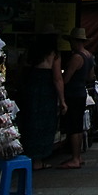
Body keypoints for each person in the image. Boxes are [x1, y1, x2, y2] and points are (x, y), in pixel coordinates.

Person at [18, 25, 67, 171]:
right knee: (44, 124)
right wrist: (62, 100)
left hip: (30, 89)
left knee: (29, 122)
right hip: (46, 91)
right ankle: (38, 160)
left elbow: (21, 71)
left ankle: (28, 156)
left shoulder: (30, 52)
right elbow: (57, 78)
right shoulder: (53, 54)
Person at [58, 27, 95, 169]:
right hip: (81, 92)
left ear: (74, 41)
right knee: (78, 126)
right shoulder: (89, 56)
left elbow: (66, 78)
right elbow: (91, 76)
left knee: (73, 127)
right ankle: (78, 156)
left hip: (73, 93)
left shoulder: (77, 57)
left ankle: (74, 158)